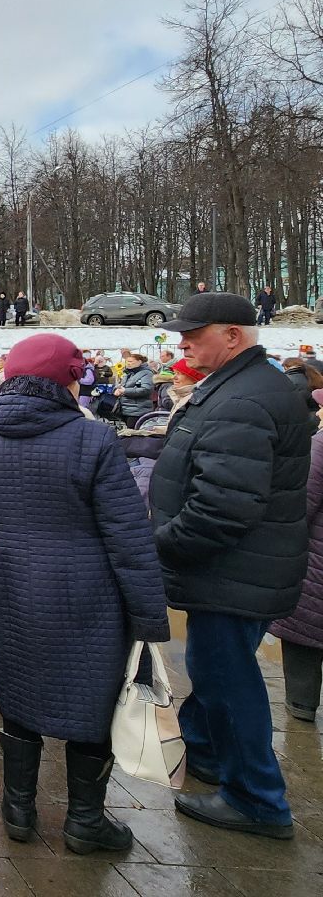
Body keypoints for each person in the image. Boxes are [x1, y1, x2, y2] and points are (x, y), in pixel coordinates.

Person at [0, 333, 169, 854]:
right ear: (66, 382)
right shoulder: (93, 440)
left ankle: (18, 811)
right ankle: (84, 823)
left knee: (18, 695)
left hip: (13, 583)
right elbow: (127, 533)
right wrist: (149, 618)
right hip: (88, 593)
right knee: (90, 705)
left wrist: (7, 529)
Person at [151, 292, 311, 838]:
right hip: (239, 570)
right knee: (219, 672)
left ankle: (256, 800)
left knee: (228, 680)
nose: (183, 343)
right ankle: (208, 754)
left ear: (234, 335)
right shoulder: (241, 386)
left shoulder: (244, 399)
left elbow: (223, 508)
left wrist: (160, 544)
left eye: (193, 334)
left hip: (233, 572)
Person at [268, 400, 323, 722]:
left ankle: (301, 706)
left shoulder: (320, 444)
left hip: (316, 563)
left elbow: (302, 504)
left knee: (307, 639)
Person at [114, 351, 156, 428]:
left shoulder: (147, 373)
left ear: (139, 362)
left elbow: (146, 389)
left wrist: (125, 391)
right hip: (127, 409)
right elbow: (121, 385)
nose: (128, 363)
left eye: (130, 361)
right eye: (127, 362)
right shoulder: (128, 373)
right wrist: (117, 390)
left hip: (138, 411)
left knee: (133, 433)